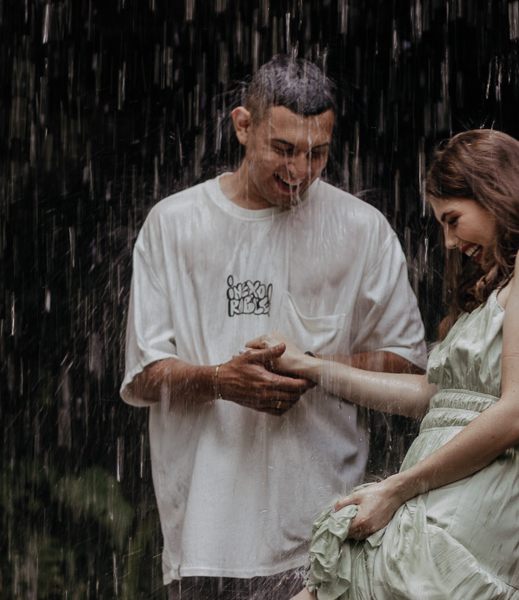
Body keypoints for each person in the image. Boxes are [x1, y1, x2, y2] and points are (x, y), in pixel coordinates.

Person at [248, 129, 519, 600]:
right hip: (438, 487)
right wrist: (312, 367)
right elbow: (432, 396)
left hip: (470, 495)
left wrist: (396, 489)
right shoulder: (497, 289)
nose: (449, 241)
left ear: (495, 193)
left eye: (453, 219)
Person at [120, 55, 427, 599]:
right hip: (205, 535)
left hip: (325, 533)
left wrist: (315, 368)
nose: (300, 170)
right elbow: (144, 376)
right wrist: (222, 380)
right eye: (283, 149)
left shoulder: (361, 229)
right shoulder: (174, 224)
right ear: (243, 126)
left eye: (318, 153)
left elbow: (407, 365)